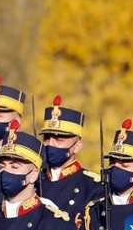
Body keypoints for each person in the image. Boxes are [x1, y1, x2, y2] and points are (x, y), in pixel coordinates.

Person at [37, 95, 101, 223]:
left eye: (59, 140)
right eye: (47, 138)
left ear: (77, 146)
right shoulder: (33, 180)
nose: (50, 144)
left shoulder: (93, 186)